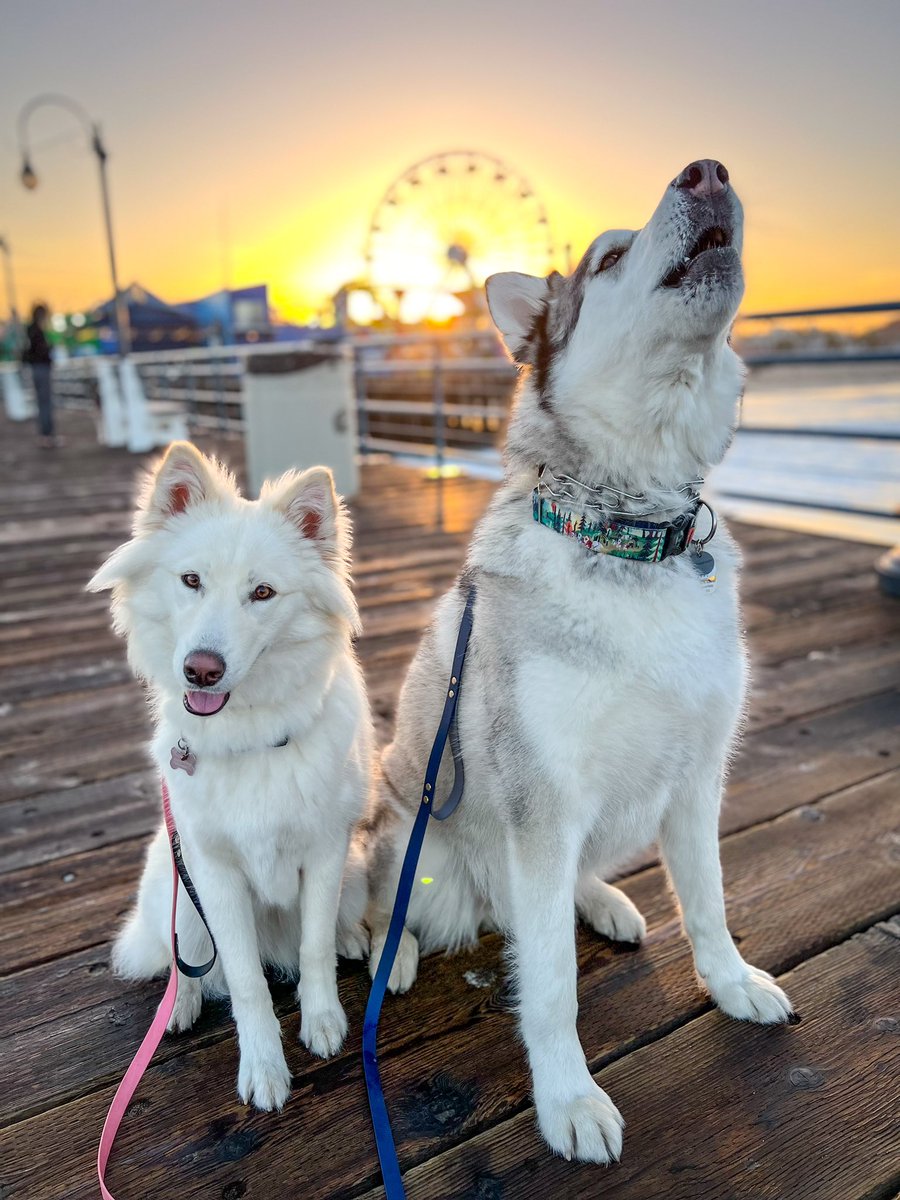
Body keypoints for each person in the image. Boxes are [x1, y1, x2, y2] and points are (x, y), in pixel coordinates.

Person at [22, 302, 57, 447]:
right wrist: (49, 348)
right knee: (45, 403)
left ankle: (45, 436)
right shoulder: (37, 331)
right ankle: (47, 436)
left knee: (41, 403)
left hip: (35, 369)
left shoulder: (29, 330)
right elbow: (41, 351)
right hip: (41, 369)